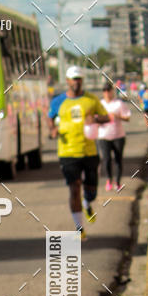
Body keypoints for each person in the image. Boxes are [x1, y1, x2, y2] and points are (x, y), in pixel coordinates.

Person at [47, 65, 109, 237]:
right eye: (74, 79)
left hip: (89, 151)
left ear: (82, 80)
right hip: (67, 152)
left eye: (79, 79)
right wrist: (52, 130)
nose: (76, 82)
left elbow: (106, 117)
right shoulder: (58, 101)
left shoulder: (91, 99)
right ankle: (79, 228)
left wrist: (94, 118)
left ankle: (87, 203)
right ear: (67, 81)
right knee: (74, 188)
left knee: (91, 191)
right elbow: (50, 117)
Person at [97, 82, 131, 192]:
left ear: (112, 91)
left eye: (109, 90)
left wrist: (117, 116)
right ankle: (109, 179)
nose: (107, 92)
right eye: (105, 90)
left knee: (118, 159)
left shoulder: (119, 103)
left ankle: (117, 182)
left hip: (118, 136)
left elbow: (127, 117)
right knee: (106, 159)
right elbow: (95, 119)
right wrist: (102, 118)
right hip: (104, 136)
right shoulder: (99, 104)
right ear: (103, 92)